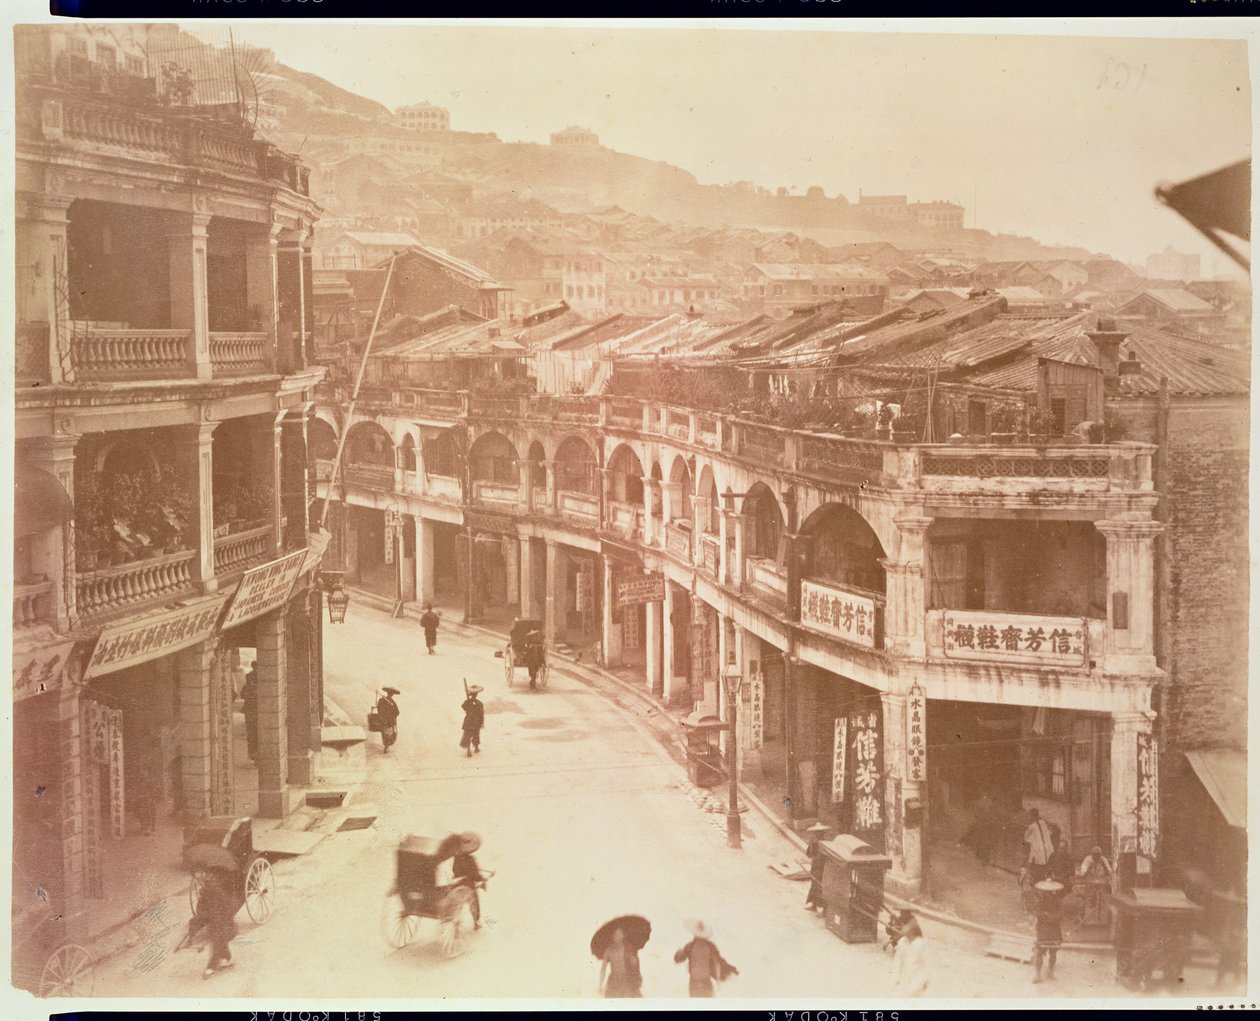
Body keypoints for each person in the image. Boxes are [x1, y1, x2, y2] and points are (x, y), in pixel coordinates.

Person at [189, 869, 238, 979]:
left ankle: (210, 968)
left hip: (221, 921)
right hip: (215, 920)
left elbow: (221, 906)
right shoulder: (208, 887)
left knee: (217, 942)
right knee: (220, 942)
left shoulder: (214, 888)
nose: (200, 876)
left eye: (202, 874)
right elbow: (202, 908)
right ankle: (229, 960)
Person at [673, 919, 738, 998]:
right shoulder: (710, 946)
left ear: (695, 933)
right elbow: (720, 960)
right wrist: (730, 968)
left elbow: (678, 959)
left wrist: (678, 952)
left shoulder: (690, 946)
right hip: (705, 980)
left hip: (694, 981)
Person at [451, 832, 486, 930]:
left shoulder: (456, 857)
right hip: (467, 885)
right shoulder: (471, 859)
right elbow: (475, 874)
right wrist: (482, 879)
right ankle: (476, 922)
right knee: (474, 900)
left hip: (456, 884)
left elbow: (455, 870)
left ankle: (452, 915)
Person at [1032, 879, 1064, 983]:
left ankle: (1050, 972)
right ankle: (1038, 975)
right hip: (1044, 929)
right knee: (1040, 951)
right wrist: (1049, 918)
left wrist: (1049, 917)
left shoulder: (1058, 901)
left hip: (1054, 929)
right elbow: (1039, 914)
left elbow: (1061, 914)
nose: (1049, 893)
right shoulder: (1040, 901)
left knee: (1053, 952)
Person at [599, 924, 643, 998]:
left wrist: (634, 961)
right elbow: (603, 969)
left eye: (619, 934)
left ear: (623, 936)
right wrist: (600, 984)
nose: (617, 937)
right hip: (613, 980)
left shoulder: (628, 948)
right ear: (613, 937)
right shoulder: (608, 950)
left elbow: (635, 963)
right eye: (615, 935)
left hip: (626, 979)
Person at [892, 914, 930, 996]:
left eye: (908, 928)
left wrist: (925, 979)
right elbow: (898, 960)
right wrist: (896, 976)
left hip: (917, 980)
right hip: (905, 978)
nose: (905, 929)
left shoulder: (921, 943)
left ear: (913, 931)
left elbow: (927, 963)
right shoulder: (902, 942)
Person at [1023, 808, 1055, 885]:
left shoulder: (1031, 826)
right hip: (1048, 849)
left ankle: (1037, 881)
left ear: (1032, 816)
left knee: (1037, 865)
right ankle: (1046, 879)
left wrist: (1031, 840)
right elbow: (1050, 832)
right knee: (1047, 863)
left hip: (1039, 850)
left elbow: (1025, 838)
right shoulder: (1043, 823)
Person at [804, 822, 829, 912]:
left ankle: (825, 909)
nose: (818, 834)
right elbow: (809, 854)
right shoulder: (814, 842)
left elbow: (819, 856)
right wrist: (811, 844)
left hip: (822, 868)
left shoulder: (825, 843)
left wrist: (813, 844)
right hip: (816, 867)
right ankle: (814, 905)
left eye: (819, 832)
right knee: (815, 886)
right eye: (816, 832)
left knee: (821, 888)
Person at [460, 686, 485, 757]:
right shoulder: (480, 703)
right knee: (476, 734)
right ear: (477, 695)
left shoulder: (467, 702)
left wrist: (468, 700)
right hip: (476, 722)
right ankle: (476, 748)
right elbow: (481, 714)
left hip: (468, 721)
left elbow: (464, 707)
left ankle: (468, 749)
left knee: (467, 735)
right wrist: (482, 722)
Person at [241, 663, 258, 762]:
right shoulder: (248, 685)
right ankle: (253, 755)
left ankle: (254, 755)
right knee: (252, 734)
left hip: (252, 711)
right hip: (252, 711)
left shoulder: (248, 681)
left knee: (252, 734)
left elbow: (243, 695)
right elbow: (243, 695)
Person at [376, 688, 400, 752]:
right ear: (392, 695)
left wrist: (381, 716)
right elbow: (397, 712)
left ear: (387, 693)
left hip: (383, 720)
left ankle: (385, 745)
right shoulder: (393, 703)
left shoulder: (381, 700)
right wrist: (393, 717)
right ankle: (386, 746)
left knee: (384, 733)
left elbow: (379, 709)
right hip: (390, 722)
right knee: (389, 734)